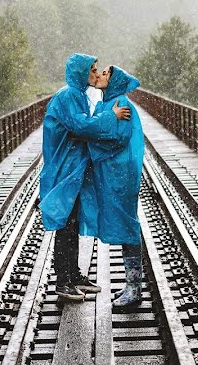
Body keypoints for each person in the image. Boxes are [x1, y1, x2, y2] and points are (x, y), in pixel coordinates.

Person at [40, 53, 131, 301]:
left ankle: (73, 274)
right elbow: (82, 126)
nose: (95, 74)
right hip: (63, 169)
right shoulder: (69, 95)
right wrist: (111, 116)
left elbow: (84, 124)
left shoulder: (76, 95)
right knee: (65, 224)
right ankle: (63, 281)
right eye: (92, 70)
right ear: (81, 73)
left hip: (72, 167)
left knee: (73, 221)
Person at [89, 65, 145, 307]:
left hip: (121, 173)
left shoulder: (121, 103)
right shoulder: (109, 102)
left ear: (113, 81)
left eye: (105, 73)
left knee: (128, 224)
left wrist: (91, 144)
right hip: (114, 172)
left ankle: (134, 288)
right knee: (125, 224)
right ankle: (131, 285)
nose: (99, 75)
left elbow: (119, 138)